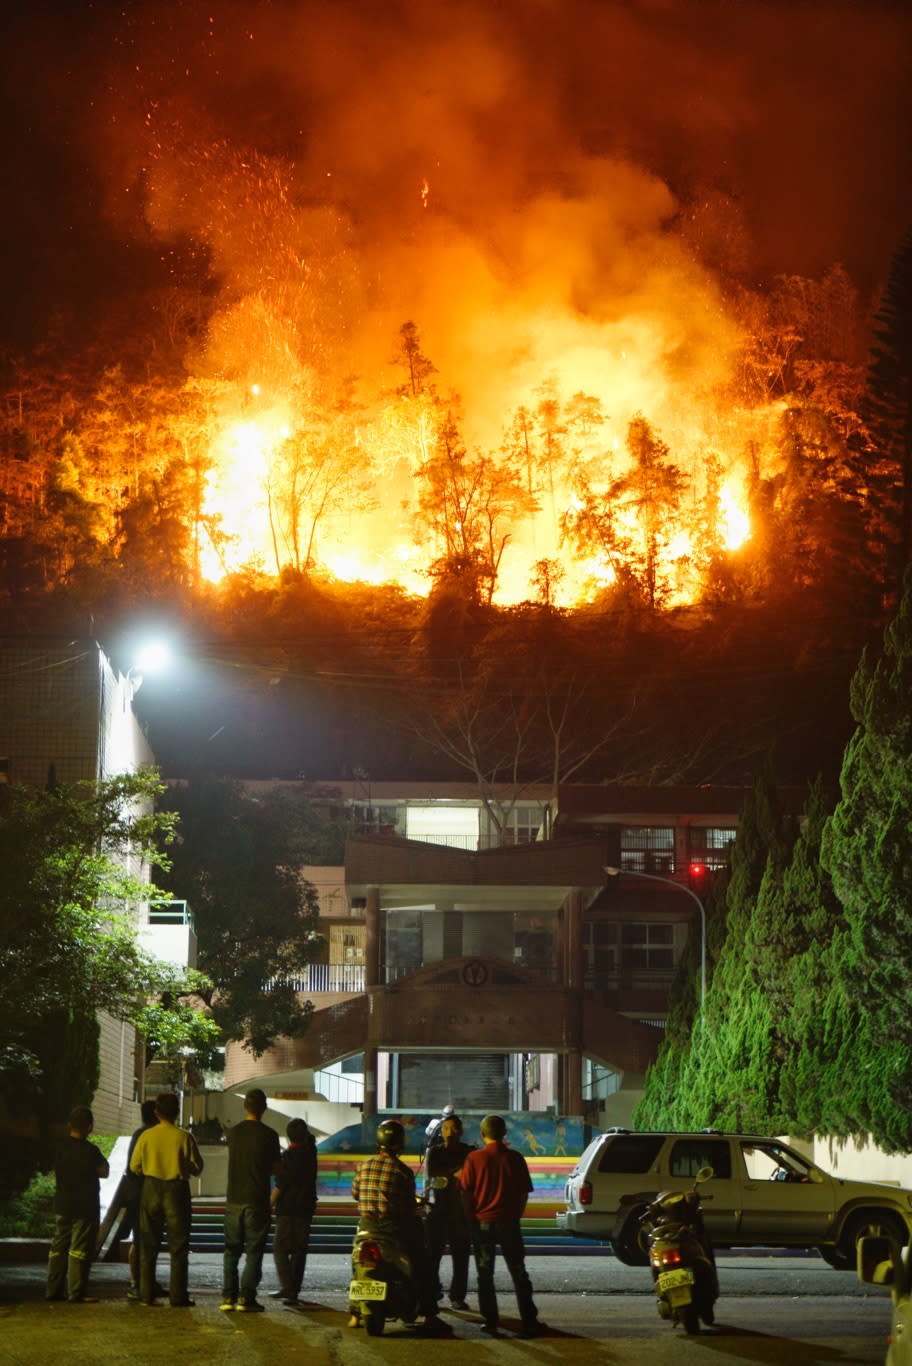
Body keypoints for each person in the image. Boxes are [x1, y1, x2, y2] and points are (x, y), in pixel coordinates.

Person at [350, 1118, 447, 1335]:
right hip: (392, 1228)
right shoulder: (402, 1171)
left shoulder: (363, 1166)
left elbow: (356, 1194)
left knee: (357, 1261)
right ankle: (430, 1313)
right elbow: (406, 1204)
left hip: (366, 1226)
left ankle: (355, 1310)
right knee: (424, 1264)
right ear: (399, 1143)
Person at [459, 1113, 544, 1339]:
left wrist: (471, 1222)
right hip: (509, 1224)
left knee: (485, 1274)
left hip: (484, 1224)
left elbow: (466, 1194)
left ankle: (491, 1320)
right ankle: (529, 1319)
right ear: (504, 1133)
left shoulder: (474, 1159)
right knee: (518, 1272)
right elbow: (524, 1193)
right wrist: (515, 1215)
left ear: (482, 1134)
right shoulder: (515, 1158)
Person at [129, 1090, 203, 1307]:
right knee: (178, 1246)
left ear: (156, 1112)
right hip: (176, 1190)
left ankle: (145, 1293)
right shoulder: (184, 1137)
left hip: (151, 1188)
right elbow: (198, 1168)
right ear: (176, 1112)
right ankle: (178, 1295)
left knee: (148, 1243)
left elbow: (134, 1167)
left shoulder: (146, 1136)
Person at [221, 1088, 281, 1313]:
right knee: (254, 1251)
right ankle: (247, 1298)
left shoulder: (233, 1133)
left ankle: (228, 1297)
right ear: (264, 1107)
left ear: (245, 1106)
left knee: (231, 1251)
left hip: (234, 1198)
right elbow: (276, 1168)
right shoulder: (269, 1135)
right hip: (257, 1199)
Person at [46, 1105, 110, 1304]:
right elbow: (104, 1172)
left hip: (63, 1205)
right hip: (85, 1207)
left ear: (69, 1125)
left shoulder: (60, 1148)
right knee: (79, 1250)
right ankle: (76, 1292)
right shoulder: (91, 1151)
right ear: (90, 1127)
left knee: (58, 1248)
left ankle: (53, 1290)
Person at [425, 1113, 474, 1310]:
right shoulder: (434, 1152)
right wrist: (455, 1173)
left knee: (461, 1257)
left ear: (460, 1131)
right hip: (437, 1210)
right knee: (432, 1255)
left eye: (453, 1129)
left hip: (461, 1212)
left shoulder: (469, 1152)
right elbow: (434, 1176)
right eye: (445, 1129)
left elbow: (471, 1176)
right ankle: (432, 1291)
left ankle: (457, 1296)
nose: (449, 1133)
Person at [269, 1117, 317, 1306]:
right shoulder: (311, 1151)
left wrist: (269, 1203)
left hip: (288, 1208)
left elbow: (281, 1184)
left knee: (280, 1249)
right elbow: (310, 1139)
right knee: (299, 1250)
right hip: (306, 1207)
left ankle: (287, 1287)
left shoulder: (289, 1157)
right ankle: (293, 1289)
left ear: (289, 1137)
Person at [123, 1099, 159, 1300]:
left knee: (143, 1239)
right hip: (141, 1194)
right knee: (140, 1240)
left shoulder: (140, 1134)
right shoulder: (144, 1135)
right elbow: (134, 1167)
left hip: (138, 1193)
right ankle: (138, 1282)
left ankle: (145, 1282)